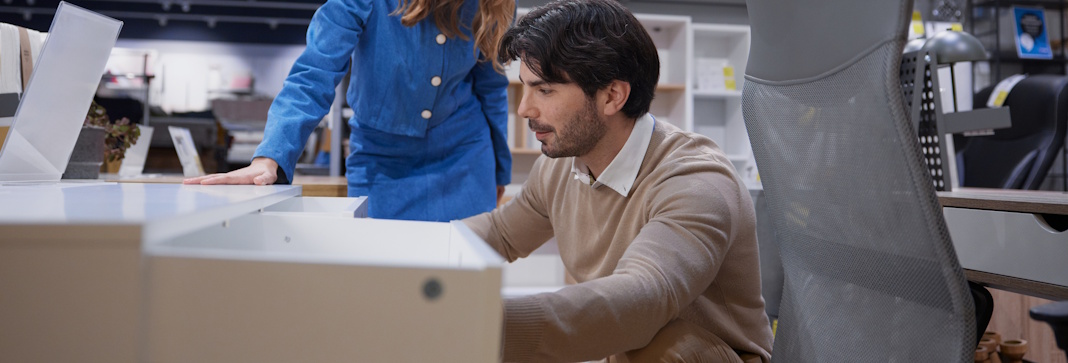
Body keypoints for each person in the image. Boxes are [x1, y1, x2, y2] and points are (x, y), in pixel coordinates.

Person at [461, 0, 773, 361]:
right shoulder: (562, 165)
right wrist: (414, 254)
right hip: (629, 348)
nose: (524, 109)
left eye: (544, 90)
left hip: (696, 355)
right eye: (525, 88)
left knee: (665, 345)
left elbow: (640, 298)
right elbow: (499, 234)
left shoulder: (696, 181)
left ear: (612, 96)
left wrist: (478, 324)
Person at [184, 0, 515, 222]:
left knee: (461, 293)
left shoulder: (492, 5)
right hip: (381, 163)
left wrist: (500, 172)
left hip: (465, 162)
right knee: (380, 291)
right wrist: (268, 157)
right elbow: (314, 73)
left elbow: (491, 87)